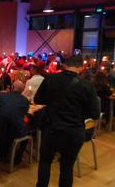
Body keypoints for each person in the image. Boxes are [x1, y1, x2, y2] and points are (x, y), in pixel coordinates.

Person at [34, 55, 100, 187]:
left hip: (51, 129)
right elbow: (95, 114)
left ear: (64, 65)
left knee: (45, 162)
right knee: (67, 166)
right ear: (81, 68)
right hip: (73, 131)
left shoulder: (50, 79)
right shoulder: (87, 86)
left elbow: (38, 100)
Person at [0, 80, 30, 163]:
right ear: (22, 90)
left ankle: (1, 153)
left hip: (2, 131)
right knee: (27, 128)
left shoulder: (3, 97)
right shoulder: (25, 101)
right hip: (17, 131)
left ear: (12, 88)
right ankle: (18, 158)